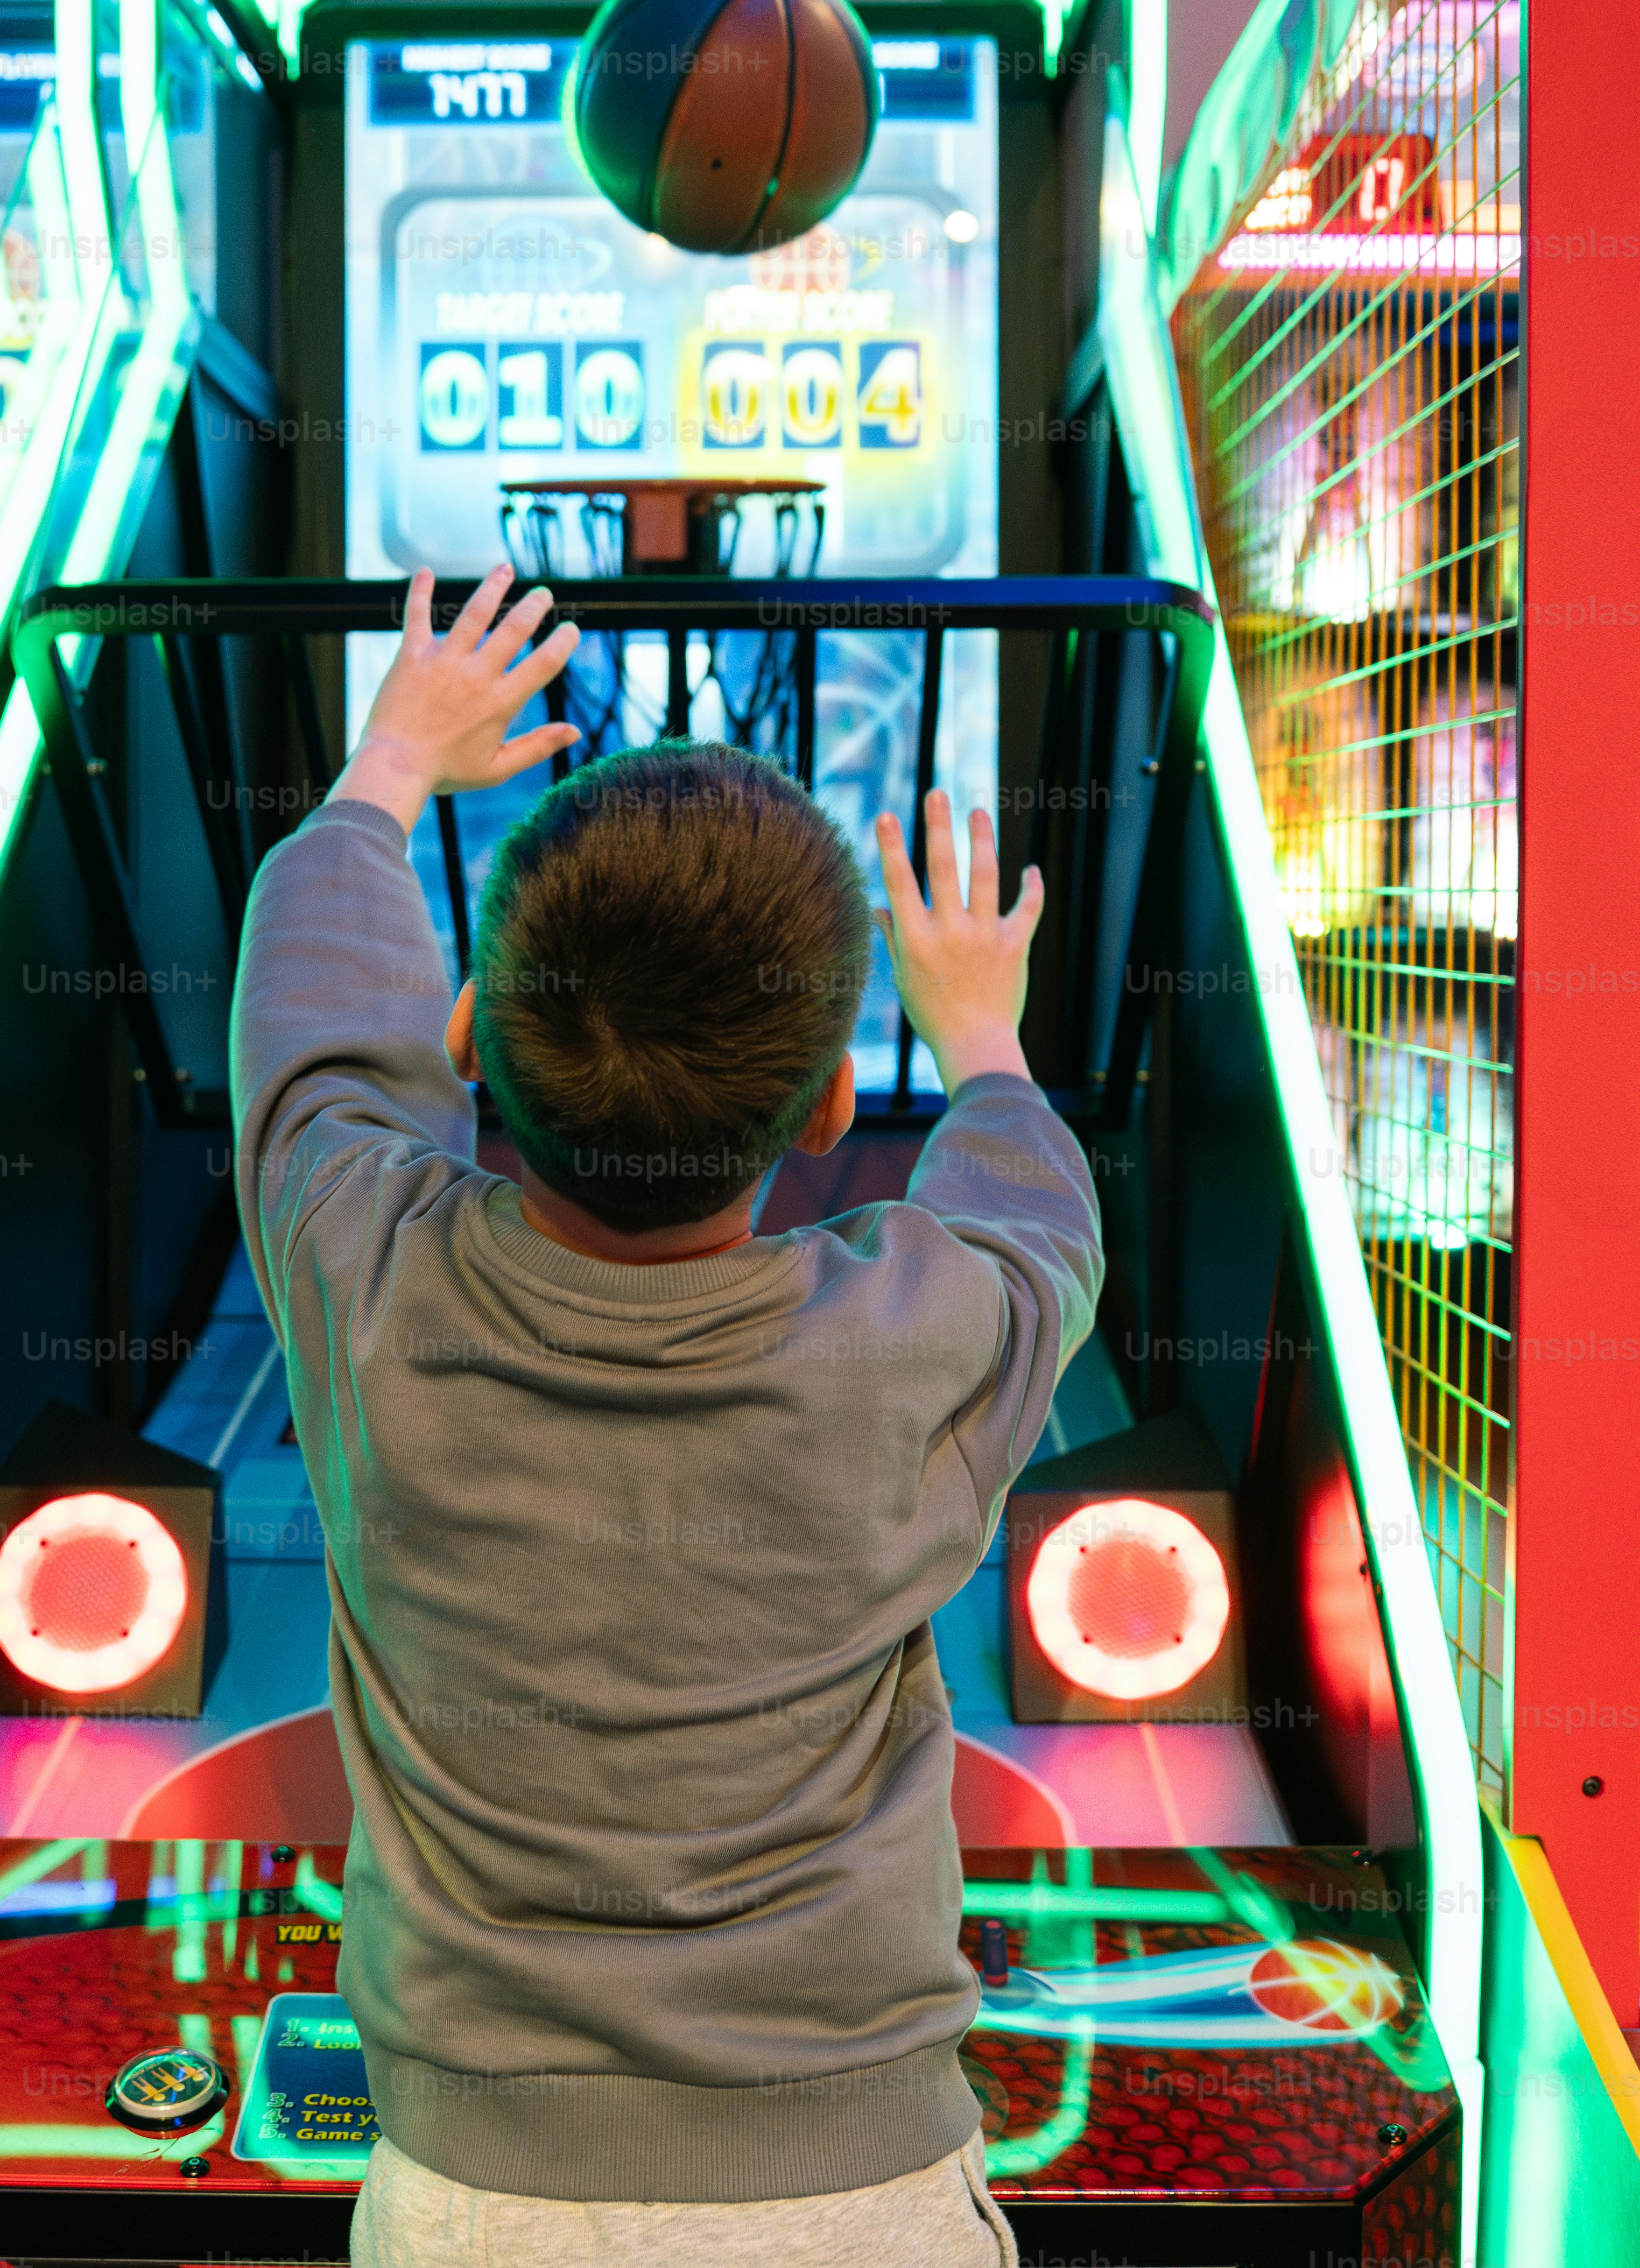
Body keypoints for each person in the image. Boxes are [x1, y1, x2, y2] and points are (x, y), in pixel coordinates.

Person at [232, 567, 1101, 2265]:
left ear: (472, 1035)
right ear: (836, 1102)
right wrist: (983, 1035)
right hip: (864, 2188)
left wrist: (387, 770)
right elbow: (1035, 1225)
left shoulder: (363, 1277)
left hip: (471, 2195)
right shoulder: (911, 1346)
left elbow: (316, 1040)